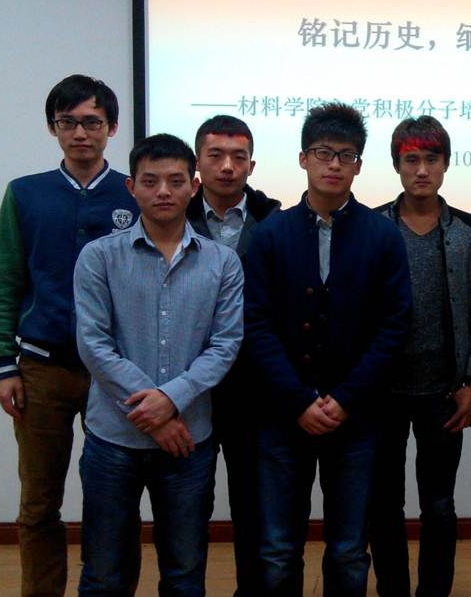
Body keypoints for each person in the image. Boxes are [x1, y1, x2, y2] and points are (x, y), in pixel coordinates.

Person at [242, 103, 412, 596]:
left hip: (355, 417)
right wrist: (298, 400)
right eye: (323, 153)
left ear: (359, 165)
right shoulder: (271, 233)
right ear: (303, 159)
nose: (334, 164)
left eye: (346, 155)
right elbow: (256, 325)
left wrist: (345, 399)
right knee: (277, 550)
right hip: (283, 415)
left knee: (348, 549)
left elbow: (394, 326)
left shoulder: (382, 235)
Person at [0, 74, 137, 597]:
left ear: (112, 127)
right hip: (41, 369)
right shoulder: (25, 194)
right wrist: (3, 365)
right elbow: (5, 279)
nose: (80, 133)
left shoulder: (134, 192)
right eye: (67, 122)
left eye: (92, 122)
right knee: (38, 503)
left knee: (112, 498)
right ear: (53, 128)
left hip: (112, 373)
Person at [74, 133, 244, 595]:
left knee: (185, 572)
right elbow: (94, 344)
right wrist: (158, 415)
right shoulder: (98, 257)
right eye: (150, 182)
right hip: (113, 439)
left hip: (189, 441)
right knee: (104, 572)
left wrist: (170, 400)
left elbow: (225, 344)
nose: (163, 192)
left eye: (175, 181)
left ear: (193, 185)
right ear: (132, 187)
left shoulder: (223, 262)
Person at [370, 116, 471, 597]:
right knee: (384, 505)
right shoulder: (372, 227)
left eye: (431, 159)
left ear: (446, 163)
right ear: (397, 165)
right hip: (383, 392)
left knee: (439, 505)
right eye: (411, 160)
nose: (422, 170)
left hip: (445, 391)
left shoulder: (470, 232)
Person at [185, 114, 281, 596]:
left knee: (253, 507)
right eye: (216, 155)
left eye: (238, 157)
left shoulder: (275, 223)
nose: (227, 166)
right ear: (197, 162)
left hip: (254, 390)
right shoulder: (171, 218)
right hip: (189, 388)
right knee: (188, 507)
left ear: (251, 165)